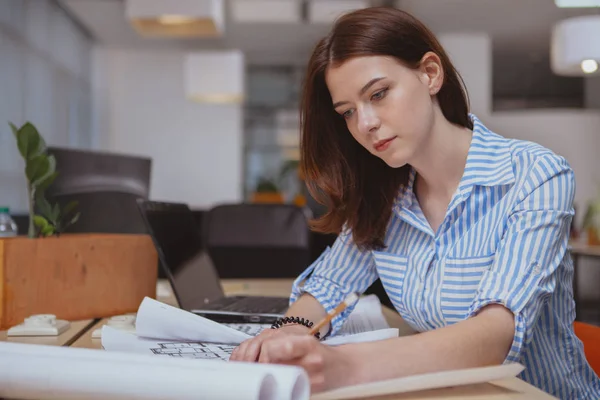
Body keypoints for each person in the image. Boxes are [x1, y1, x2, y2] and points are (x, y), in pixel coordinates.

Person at [230, 7, 600, 399]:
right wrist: (292, 328)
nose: (365, 123)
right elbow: (327, 286)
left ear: (430, 74)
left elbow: (495, 335)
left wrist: (346, 366)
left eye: (378, 94)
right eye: (348, 112)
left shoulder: (536, 175)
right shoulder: (384, 196)